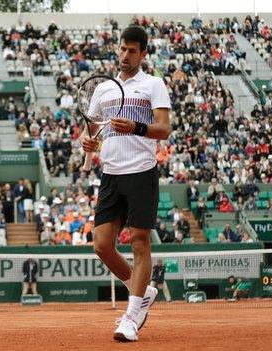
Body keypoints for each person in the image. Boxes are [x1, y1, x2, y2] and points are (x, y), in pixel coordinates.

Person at [81, 26, 172, 342]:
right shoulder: (103, 89)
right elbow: (93, 130)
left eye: (132, 50)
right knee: (102, 244)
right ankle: (143, 291)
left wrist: (137, 126)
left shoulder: (153, 85)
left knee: (139, 241)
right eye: (122, 49)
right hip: (110, 174)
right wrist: (87, 141)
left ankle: (132, 317)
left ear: (143, 53)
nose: (125, 55)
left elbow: (164, 129)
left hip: (141, 171)